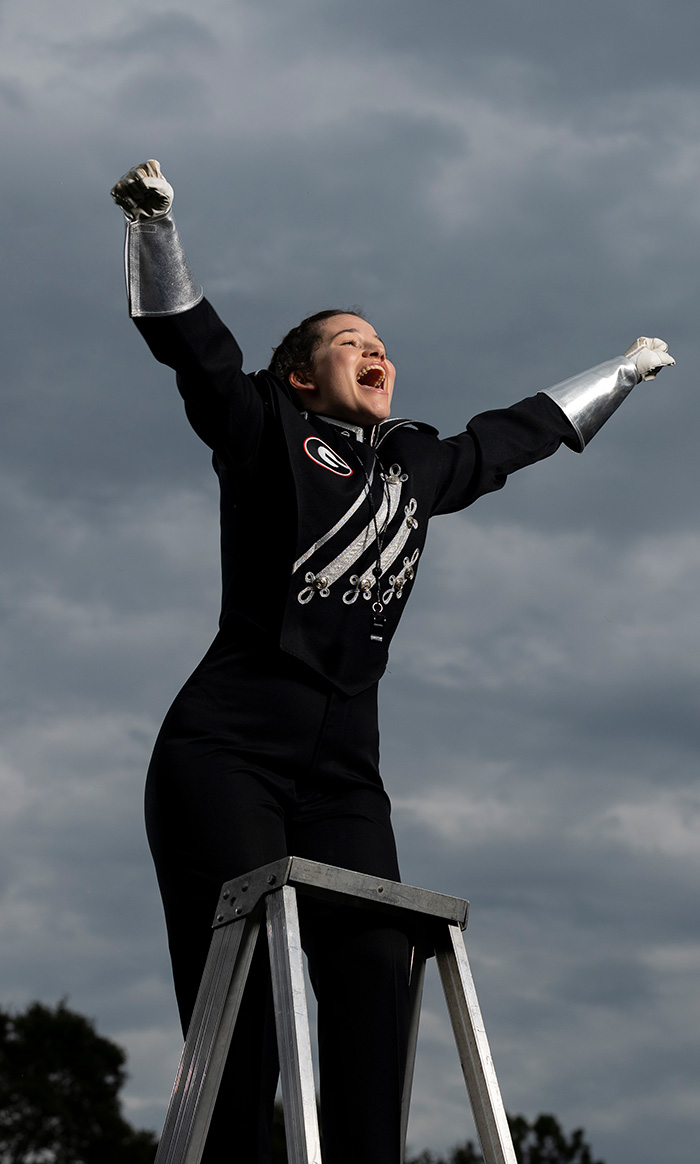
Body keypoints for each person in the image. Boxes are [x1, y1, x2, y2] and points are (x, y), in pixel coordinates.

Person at [110, 160, 674, 1164]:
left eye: (379, 344)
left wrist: (621, 373)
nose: (373, 352)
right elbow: (192, 350)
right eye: (345, 344)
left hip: (343, 772)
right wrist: (154, 228)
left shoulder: (412, 468)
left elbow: (515, 437)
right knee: (245, 998)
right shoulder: (264, 429)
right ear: (300, 375)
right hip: (227, 747)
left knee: (377, 966)